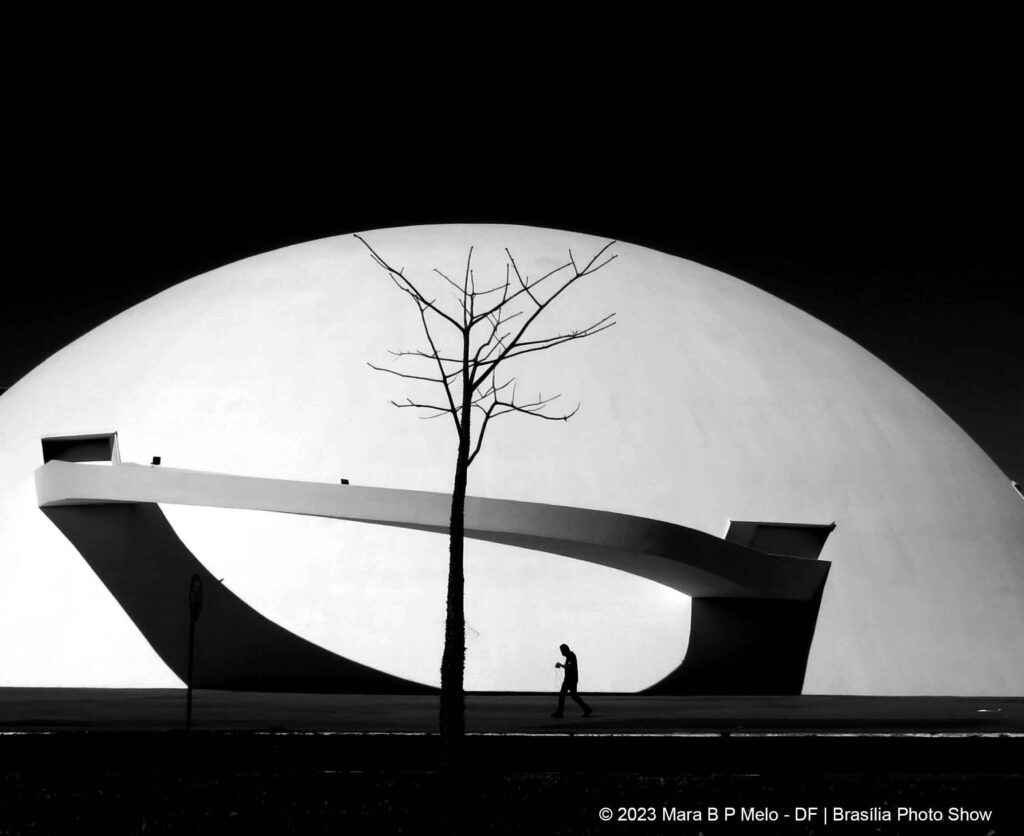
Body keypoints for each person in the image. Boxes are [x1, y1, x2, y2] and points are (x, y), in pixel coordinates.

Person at [551, 643, 593, 718]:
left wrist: (560, 665)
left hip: (570, 680)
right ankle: (587, 709)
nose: (561, 653)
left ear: (565, 650)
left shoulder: (571, 656)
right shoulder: (570, 656)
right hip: (571, 679)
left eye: (562, 651)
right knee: (574, 696)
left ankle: (560, 713)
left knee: (563, 695)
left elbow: (569, 667)